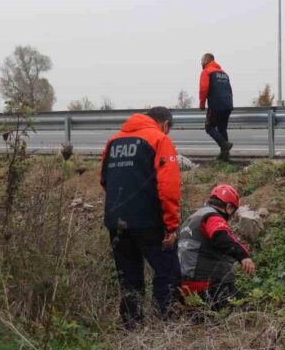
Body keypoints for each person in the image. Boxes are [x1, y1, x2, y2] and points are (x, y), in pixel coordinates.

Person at [100, 106, 181, 328]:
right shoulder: (159, 139)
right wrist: (171, 225)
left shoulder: (113, 141)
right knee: (168, 271)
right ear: (165, 125)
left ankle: (132, 327)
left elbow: (105, 179)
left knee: (128, 278)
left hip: (116, 222)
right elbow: (169, 187)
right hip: (150, 222)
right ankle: (164, 323)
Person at [177, 184, 255, 310]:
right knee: (249, 307)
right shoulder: (213, 217)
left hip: (183, 289)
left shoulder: (192, 218)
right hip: (207, 287)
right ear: (229, 207)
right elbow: (221, 237)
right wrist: (243, 256)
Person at [199, 53, 234, 161]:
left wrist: (202, 104)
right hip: (227, 104)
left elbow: (203, 89)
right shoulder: (224, 74)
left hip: (215, 104)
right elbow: (230, 90)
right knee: (222, 129)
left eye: (201, 60)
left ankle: (224, 145)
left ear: (206, 60)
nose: (201, 63)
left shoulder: (206, 71)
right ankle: (225, 157)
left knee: (209, 127)